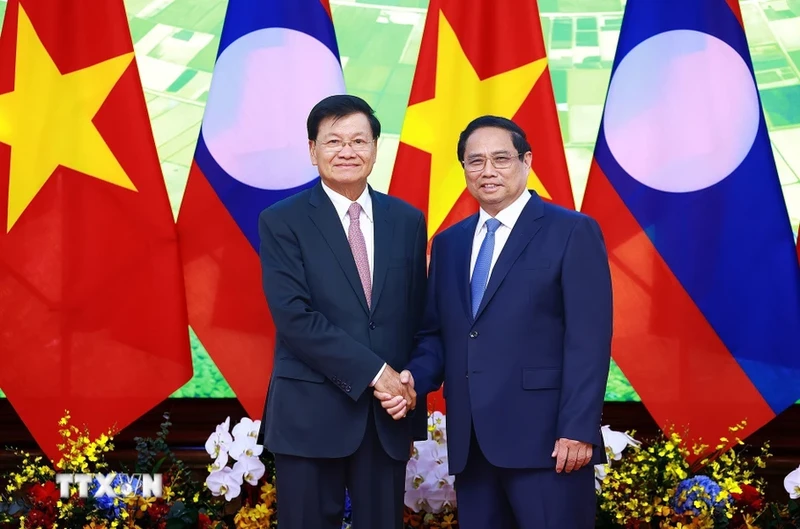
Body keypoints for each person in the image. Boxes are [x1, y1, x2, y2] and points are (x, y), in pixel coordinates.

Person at [377, 115, 613, 528]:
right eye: (475, 161)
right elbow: (437, 334)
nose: (488, 171)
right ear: (464, 169)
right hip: (473, 446)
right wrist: (414, 376)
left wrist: (577, 428)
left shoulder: (572, 231)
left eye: (501, 159)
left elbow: (588, 340)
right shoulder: (449, 244)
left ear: (526, 161)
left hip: (550, 444)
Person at [258, 94, 428, 529]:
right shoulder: (283, 221)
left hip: (384, 419)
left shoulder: (407, 220)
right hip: (310, 415)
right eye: (333, 142)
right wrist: (378, 373)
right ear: (312, 151)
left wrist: (408, 382)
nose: (347, 151)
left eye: (358, 140)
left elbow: (417, 316)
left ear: (375, 147)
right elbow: (295, 317)